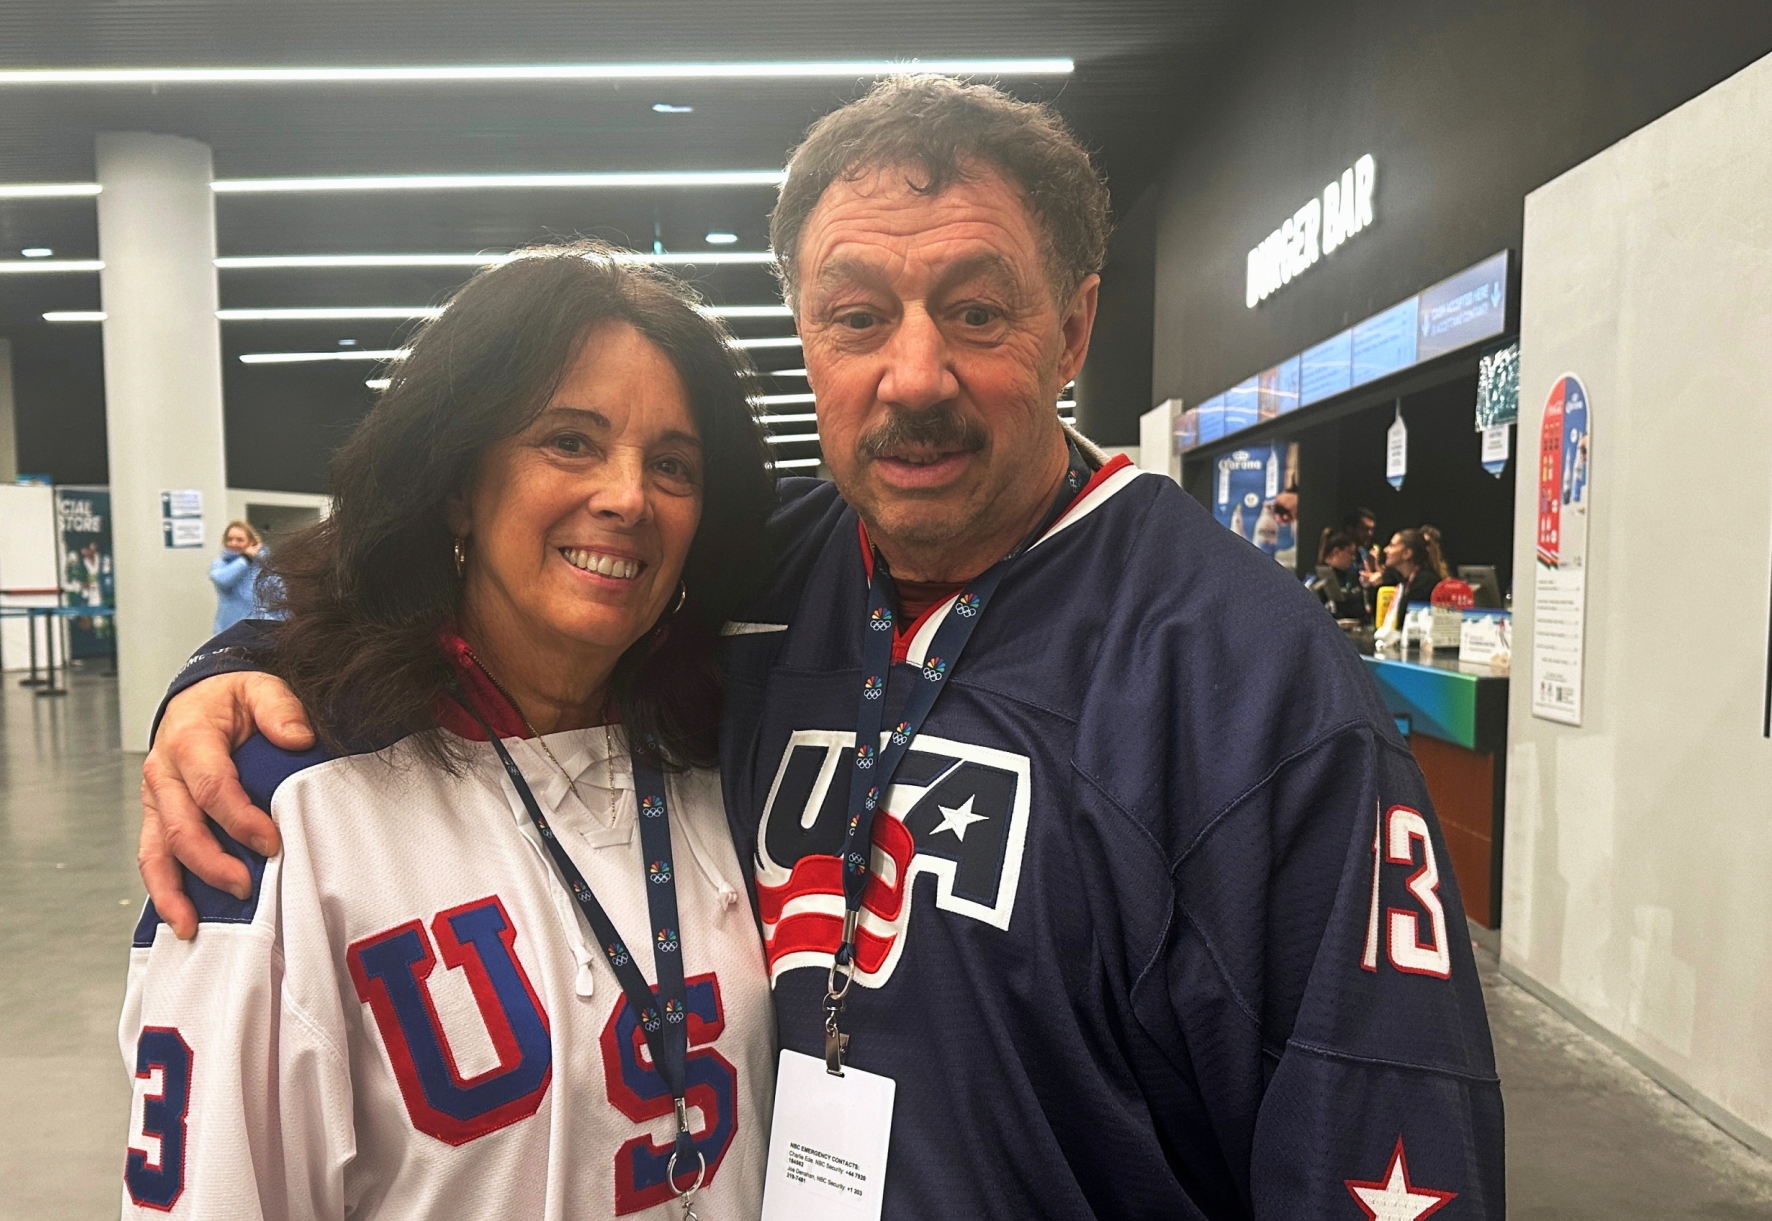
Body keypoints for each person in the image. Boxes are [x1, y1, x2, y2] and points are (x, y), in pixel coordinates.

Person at [141, 78, 1503, 1219]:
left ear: (1075, 327)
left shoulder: (1246, 681)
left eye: (977, 311)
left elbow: (1386, 1130)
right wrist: (230, 684)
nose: (913, 376)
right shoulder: (746, 576)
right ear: (807, 333)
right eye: (858, 317)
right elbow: (490, 616)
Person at [116, 249, 778, 1218]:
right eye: (570, 442)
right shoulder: (287, 808)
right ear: (460, 483)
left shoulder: (731, 754)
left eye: (672, 464)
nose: (628, 497)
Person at [208, 519, 281, 634]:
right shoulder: (220, 564)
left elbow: (280, 600)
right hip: (228, 632)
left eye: (239, 540)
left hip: (259, 633)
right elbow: (222, 580)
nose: (233, 543)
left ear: (252, 542)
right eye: (230, 539)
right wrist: (245, 559)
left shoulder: (266, 567)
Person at [1308, 526, 1369, 621]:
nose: (1353, 558)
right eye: (1350, 553)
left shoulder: (1352, 575)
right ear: (1336, 552)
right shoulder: (1315, 579)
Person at [1378, 527, 1443, 615]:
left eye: (1392, 546)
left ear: (1407, 553)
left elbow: (1405, 617)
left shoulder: (1426, 583)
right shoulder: (1403, 580)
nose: (1385, 550)